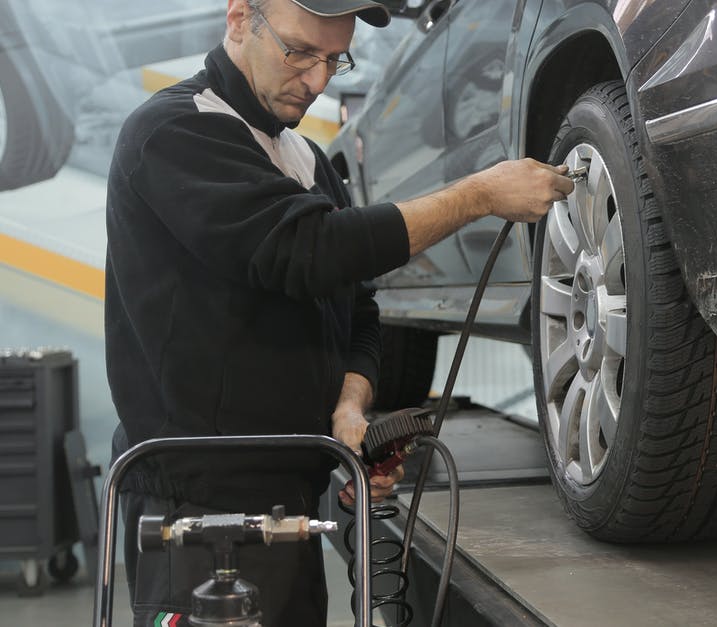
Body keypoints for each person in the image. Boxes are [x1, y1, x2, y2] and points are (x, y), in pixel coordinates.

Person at [104, 0, 573, 624]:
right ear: (240, 18)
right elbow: (306, 252)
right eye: (300, 52)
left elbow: (359, 307)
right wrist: (479, 194)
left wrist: (348, 410)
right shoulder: (173, 132)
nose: (320, 81)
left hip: (287, 501)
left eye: (335, 58)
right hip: (196, 510)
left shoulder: (308, 162)